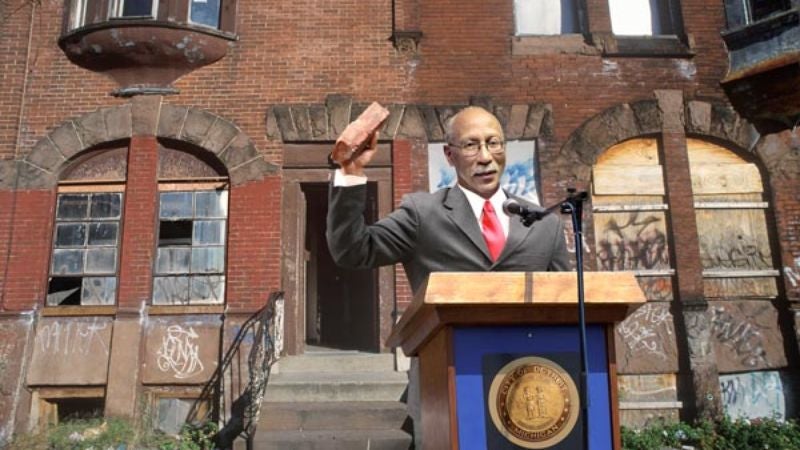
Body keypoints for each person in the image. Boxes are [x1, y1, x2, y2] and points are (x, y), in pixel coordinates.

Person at [326, 105, 571, 446]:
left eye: (494, 143)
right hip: (444, 388)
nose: (486, 156)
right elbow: (352, 251)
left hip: (532, 389)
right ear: (450, 155)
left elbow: (569, 310)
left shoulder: (543, 223)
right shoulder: (422, 213)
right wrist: (350, 171)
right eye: (471, 145)